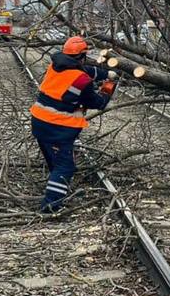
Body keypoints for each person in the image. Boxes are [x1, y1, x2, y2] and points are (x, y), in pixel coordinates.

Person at [29, 35, 116, 212]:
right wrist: (110, 85)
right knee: (65, 167)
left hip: (39, 121)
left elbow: (85, 71)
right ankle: (50, 207)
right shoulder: (80, 80)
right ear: (82, 56)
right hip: (57, 127)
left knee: (56, 164)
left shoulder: (56, 66)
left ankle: (57, 193)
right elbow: (98, 103)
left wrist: (106, 73)